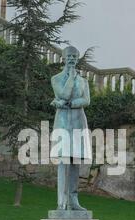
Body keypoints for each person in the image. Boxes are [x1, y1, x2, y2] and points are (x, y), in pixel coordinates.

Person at [50, 46, 92, 211]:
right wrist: (71, 78)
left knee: (75, 161)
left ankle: (73, 200)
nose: (72, 59)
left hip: (78, 122)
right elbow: (63, 94)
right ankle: (62, 201)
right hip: (62, 123)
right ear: (63, 58)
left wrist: (70, 104)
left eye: (75, 56)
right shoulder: (56, 78)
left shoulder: (83, 81)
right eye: (69, 56)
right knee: (63, 161)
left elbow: (86, 100)